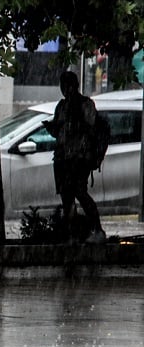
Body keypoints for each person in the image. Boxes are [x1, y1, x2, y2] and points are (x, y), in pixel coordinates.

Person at [43, 71, 105, 244]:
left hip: (79, 157)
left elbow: (91, 129)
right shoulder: (61, 106)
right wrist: (53, 128)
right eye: (63, 86)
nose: (65, 90)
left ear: (75, 85)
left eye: (68, 86)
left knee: (80, 192)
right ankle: (73, 234)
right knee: (66, 197)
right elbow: (58, 132)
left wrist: (73, 125)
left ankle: (97, 229)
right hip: (63, 158)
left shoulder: (85, 104)